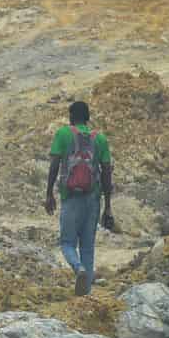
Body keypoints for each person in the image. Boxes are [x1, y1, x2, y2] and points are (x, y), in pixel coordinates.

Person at [44, 100, 115, 296]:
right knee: (88, 247)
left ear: (70, 117)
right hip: (93, 198)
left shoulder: (63, 134)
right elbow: (107, 172)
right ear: (88, 117)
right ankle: (87, 294)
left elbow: (54, 165)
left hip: (70, 197)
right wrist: (108, 206)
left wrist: (49, 193)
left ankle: (78, 268)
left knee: (67, 243)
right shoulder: (100, 139)